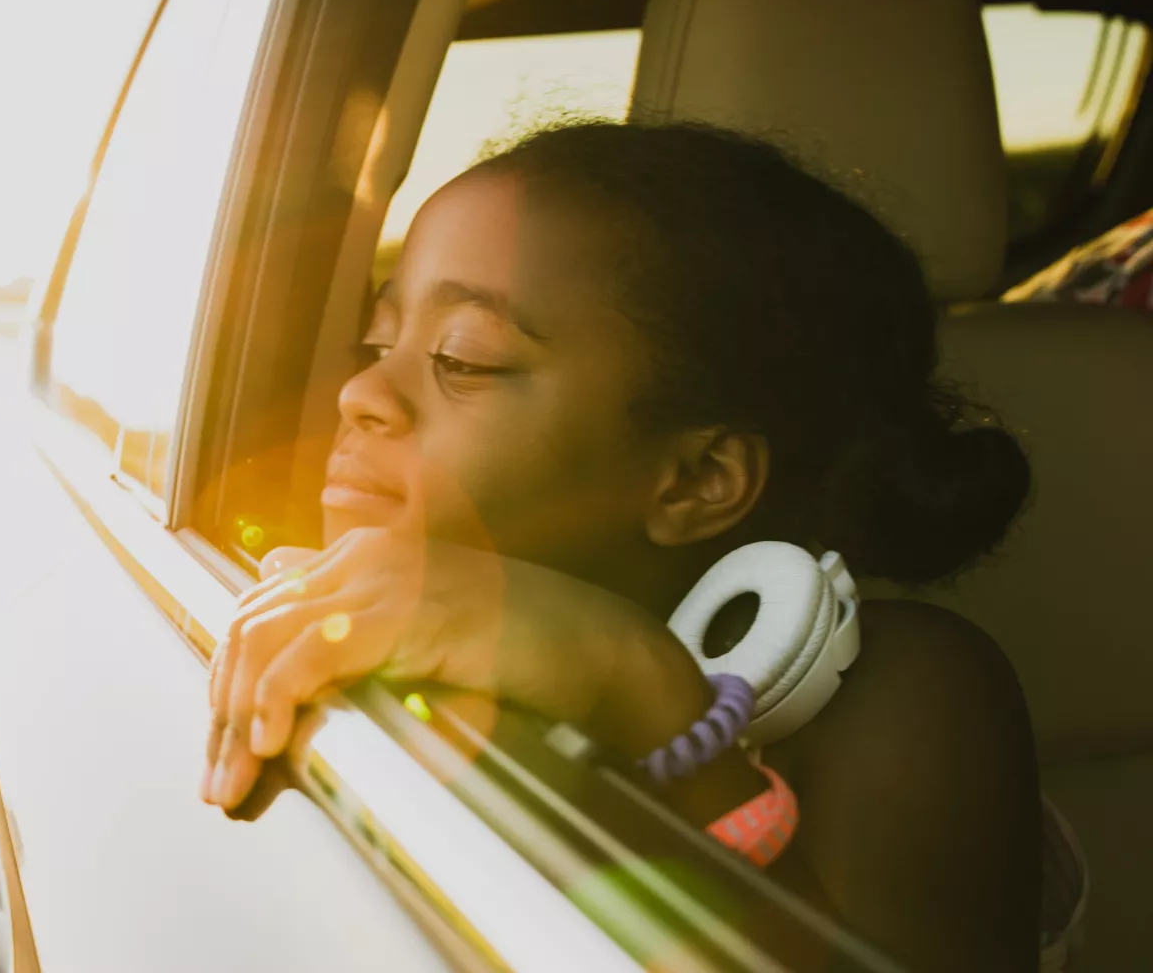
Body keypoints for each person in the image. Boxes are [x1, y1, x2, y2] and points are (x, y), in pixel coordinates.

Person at [202, 122, 1055, 971]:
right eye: (380, 343)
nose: (360, 392)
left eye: (462, 358)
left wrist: (639, 685)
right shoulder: (351, 618)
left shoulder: (909, 694)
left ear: (697, 478)